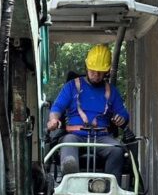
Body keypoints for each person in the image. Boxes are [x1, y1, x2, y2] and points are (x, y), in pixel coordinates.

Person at [46, 45, 130, 178]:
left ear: (107, 71)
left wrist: (122, 118)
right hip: (75, 135)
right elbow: (57, 108)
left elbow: (123, 113)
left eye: (100, 72)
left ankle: (109, 189)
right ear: (87, 67)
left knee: (117, 150)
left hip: (102, 136)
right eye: (93, 71)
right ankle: (71, 181)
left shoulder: (111, 91)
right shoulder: (71, 86)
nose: (96, 75)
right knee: (67, 144)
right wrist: (53, 119)